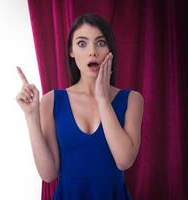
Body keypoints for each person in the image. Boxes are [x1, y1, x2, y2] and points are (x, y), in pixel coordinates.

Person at [15, 13, 144, 199]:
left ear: (110, 49)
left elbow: (124, 160)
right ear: (71, 51)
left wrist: (102, 98)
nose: (92, 51)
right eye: (82, 43)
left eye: (100, 43)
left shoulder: (132, 99)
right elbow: (48, 174)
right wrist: (31, 116)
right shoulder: (52, 100)